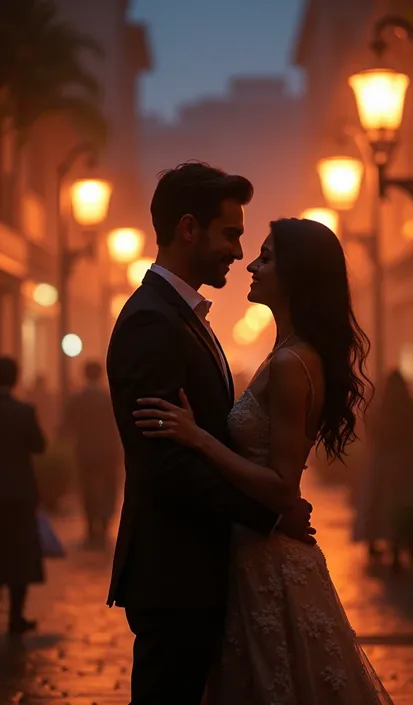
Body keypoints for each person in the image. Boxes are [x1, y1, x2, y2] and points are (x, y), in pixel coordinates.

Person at [133, 218, 395, 704]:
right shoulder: (286, 354)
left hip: (268, 557)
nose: (251, 264)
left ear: (297, 275)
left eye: (267, 257)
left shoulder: (293, 365)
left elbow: (281, 488)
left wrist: (198, 439)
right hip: (253, 549)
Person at [106, 163, 314, 705]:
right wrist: (269, 514)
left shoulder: (183, 315)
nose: (239, 252)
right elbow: (166, 465)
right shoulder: (152, 320)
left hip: (198, 571)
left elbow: (205, 438)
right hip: (175, 573)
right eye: (231, 234)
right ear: (189, 228)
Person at [353, 370, 413, 569]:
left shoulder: (383, 406)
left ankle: (382, 544)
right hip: (398, 462)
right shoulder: (404, 406)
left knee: (381, 502)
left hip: (387, 462)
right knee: (391, 503)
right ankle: (393, 549)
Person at [0, 356, 46, 635]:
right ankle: (16, 616)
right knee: (18, 554)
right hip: (18, 491)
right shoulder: (24, 411)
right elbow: (39, 445)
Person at [62, 360, 121, 549]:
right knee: (110, 487)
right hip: (108, 451)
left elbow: (67, 425)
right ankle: (104, 522)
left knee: (86, 487)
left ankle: (91, 525)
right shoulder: (109, 398)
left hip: (85, 451)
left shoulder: (77, 399)